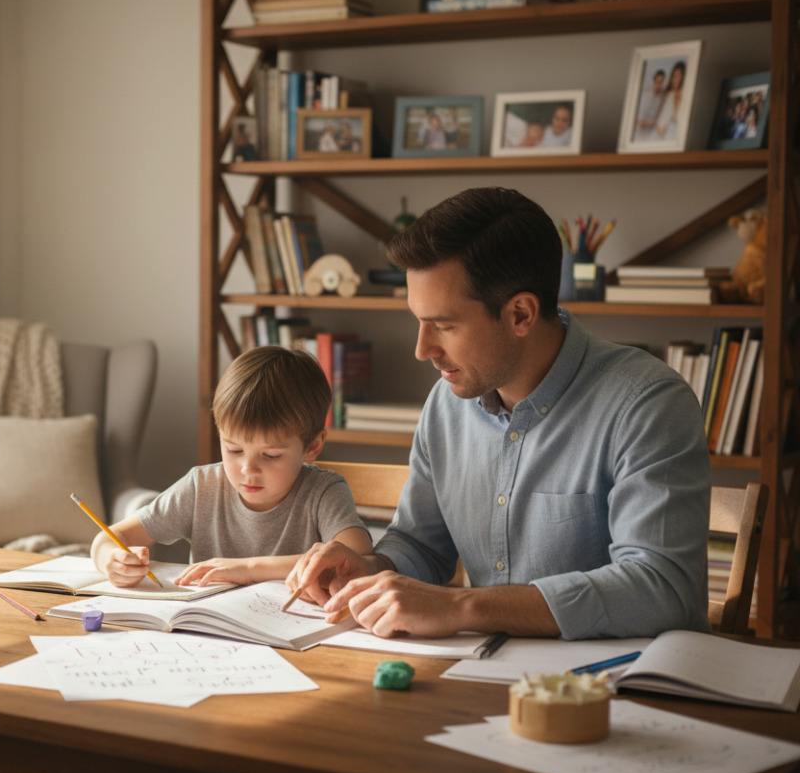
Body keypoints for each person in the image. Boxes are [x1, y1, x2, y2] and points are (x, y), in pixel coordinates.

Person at [287, 187, 711, 641]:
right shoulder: (446, 404)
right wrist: (371, 569)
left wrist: (463, 606)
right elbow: (421, 545)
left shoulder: (647, 403)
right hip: (482, 672)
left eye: (444, 325)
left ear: (521, 314)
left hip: (617, 679)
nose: (422, 349)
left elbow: (662, 587)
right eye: (419, 321)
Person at [92, 344, 372, 588]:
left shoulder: (323, 492)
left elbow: (358, 557)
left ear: (312, 446)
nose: (248, 469)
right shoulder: (201, 487)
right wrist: (111, 560)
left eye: (271, 455)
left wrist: (249, 569)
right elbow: (110, 538)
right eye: (234, 449)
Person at [655, 61, 687, 141]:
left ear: (683, 77)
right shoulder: (668, 93)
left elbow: (676, 118)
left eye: (678, 76)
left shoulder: (681, 93)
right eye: (674, 76)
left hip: (669, 132)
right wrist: (658, 126)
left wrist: (666, 126)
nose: (675, 79)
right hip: (659, 131)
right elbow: (661, 112)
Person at [634, 69, 666, 142]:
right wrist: (654, 123)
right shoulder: (645, 97)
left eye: (661, 82)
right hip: (639, 136)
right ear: (654, 82)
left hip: (651, 135)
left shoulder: (661, 96)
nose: (659, 85)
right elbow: (639, 122)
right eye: (657, 82)